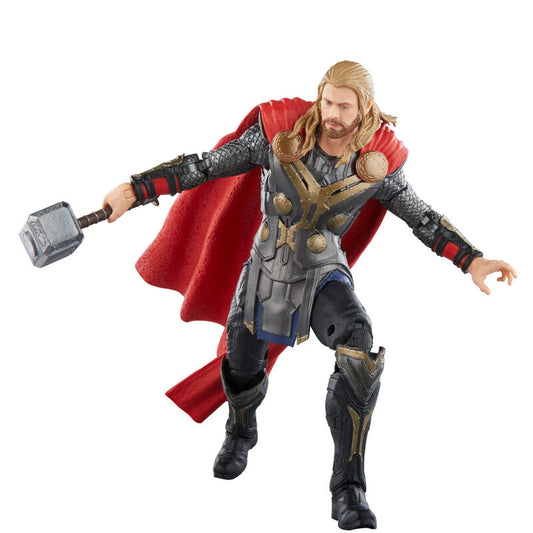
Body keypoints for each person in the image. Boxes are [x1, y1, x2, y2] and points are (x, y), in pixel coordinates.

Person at [103, 61, 516, 530]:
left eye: (344, 106)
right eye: (328, 102)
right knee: (242, 363)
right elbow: (205, 165)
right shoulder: (278, 137)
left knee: (358, 345)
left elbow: (421, 217)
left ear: (365, 108)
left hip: (323, 273)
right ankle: (240, 430)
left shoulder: (378, 162)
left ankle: (349, 486)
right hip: (266, 265)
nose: (333, 114)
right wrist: (135, 190)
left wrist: (472, 260)